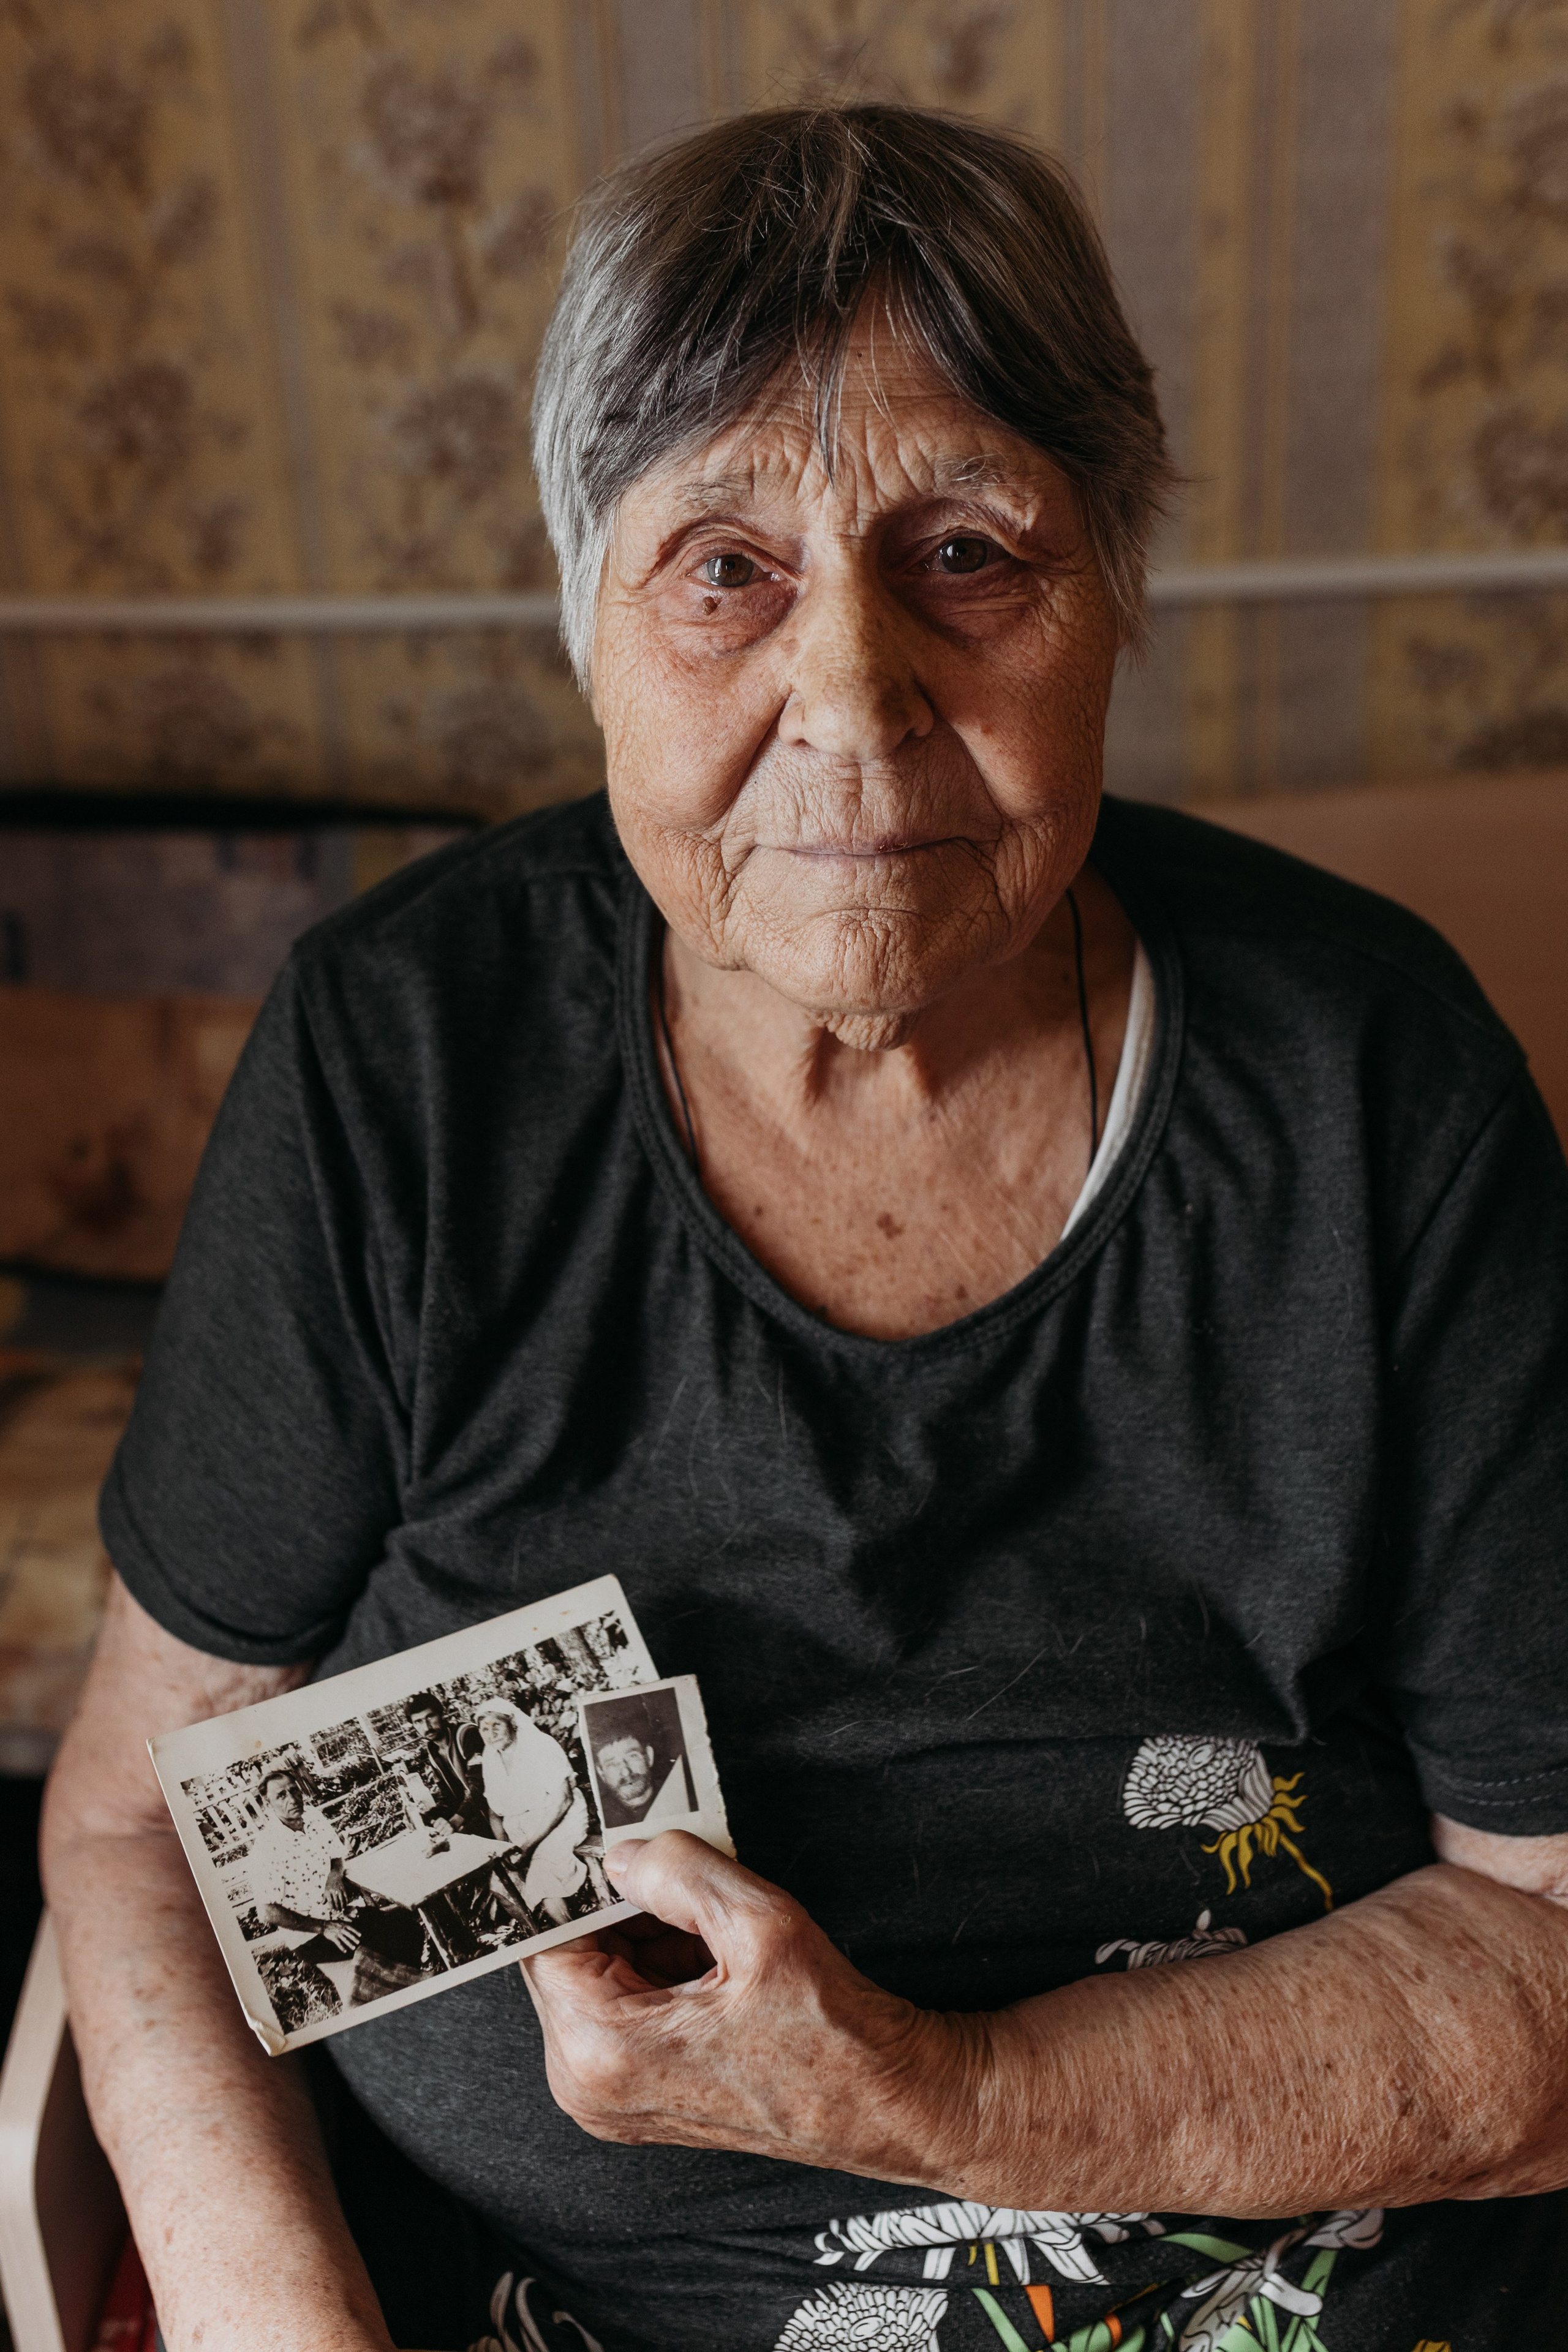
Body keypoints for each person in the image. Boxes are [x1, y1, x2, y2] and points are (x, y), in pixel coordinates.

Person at [40, 102, 1568, 2352]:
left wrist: (938, 2097)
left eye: (966, 552)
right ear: (587, 620)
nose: (849, 701)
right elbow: (138, 1823)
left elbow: (1545, 1952)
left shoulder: (1368, 1088)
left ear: (1114, 589)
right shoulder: (407, 1067)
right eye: (722, 569)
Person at [246, 1766, 425, 2005]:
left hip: (341, 1916)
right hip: (311, 1936)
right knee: (387, 1946)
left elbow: (336, 1855)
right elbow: (267, 1912)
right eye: (282, 1795)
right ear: (268, 1804)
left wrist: (334, 1876)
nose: (293, 1799)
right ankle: (390, 2000)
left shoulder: (313, 1817)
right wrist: (325, 1927)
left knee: (407, 1927)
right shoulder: (266, 1848)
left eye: (294, 1791)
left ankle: (406, 1993)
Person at [472, 1699, 590, 1927]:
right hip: (522, 1830)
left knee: (542, 1876)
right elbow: (494, 1809)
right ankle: (539, 1933)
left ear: (512, 1723)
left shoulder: (539, 1745)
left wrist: (528, 1846)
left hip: (559, 1821)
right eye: (484, 1729)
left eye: (496, 1725)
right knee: (501, 1885)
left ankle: (573, 1934)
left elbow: (563, 1800)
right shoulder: (491, 1755)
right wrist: (504, 1847)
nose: (491, 1733)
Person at [587, 1696, 694, 1829]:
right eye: (612, 1764)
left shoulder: (686, 1797)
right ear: (601, 1772)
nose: (626, 1772)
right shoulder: (598, 1819)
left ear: (649, 1756)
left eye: (633, 1757)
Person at [404, 1691, 486, 1836]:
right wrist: (427, 1817)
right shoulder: (433, 1752)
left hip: (498, 1809)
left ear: (442, 1714)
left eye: (430, 1717)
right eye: (418, 1722)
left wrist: (455, 1821)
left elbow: (480, 1783)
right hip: (475, 1814)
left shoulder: (466, 1734)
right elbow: (450, 1798)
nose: (426, 1726)